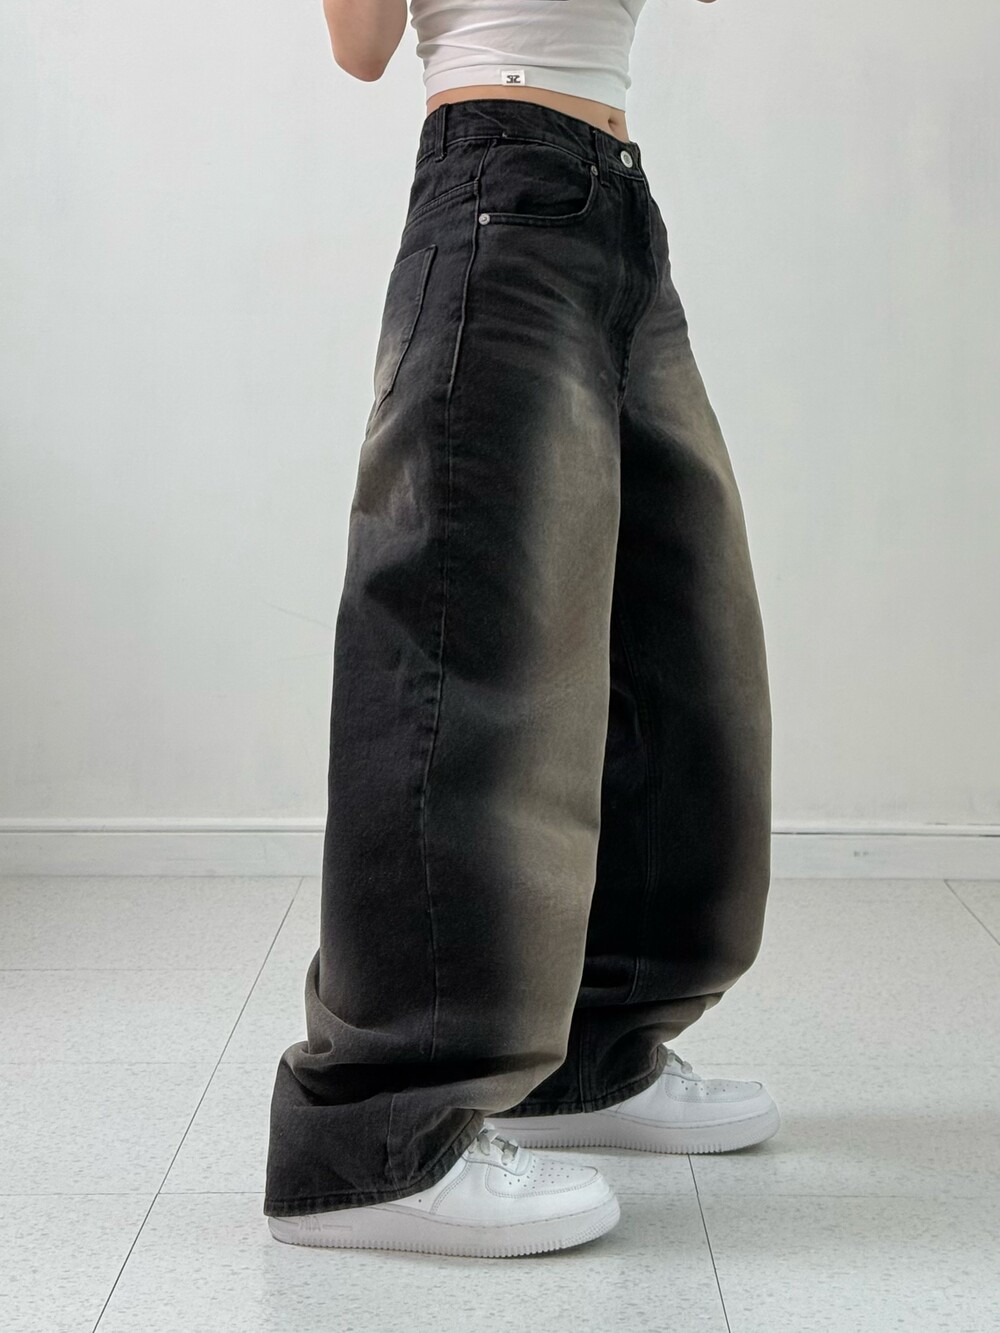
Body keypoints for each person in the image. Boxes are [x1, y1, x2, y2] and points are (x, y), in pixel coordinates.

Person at [264, 0, 779, 1259]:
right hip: (497, 188)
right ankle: (372, 1138)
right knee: (463, 657)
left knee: (678, 650)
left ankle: (592, 1055)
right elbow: (359, 46)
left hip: (613, 205)